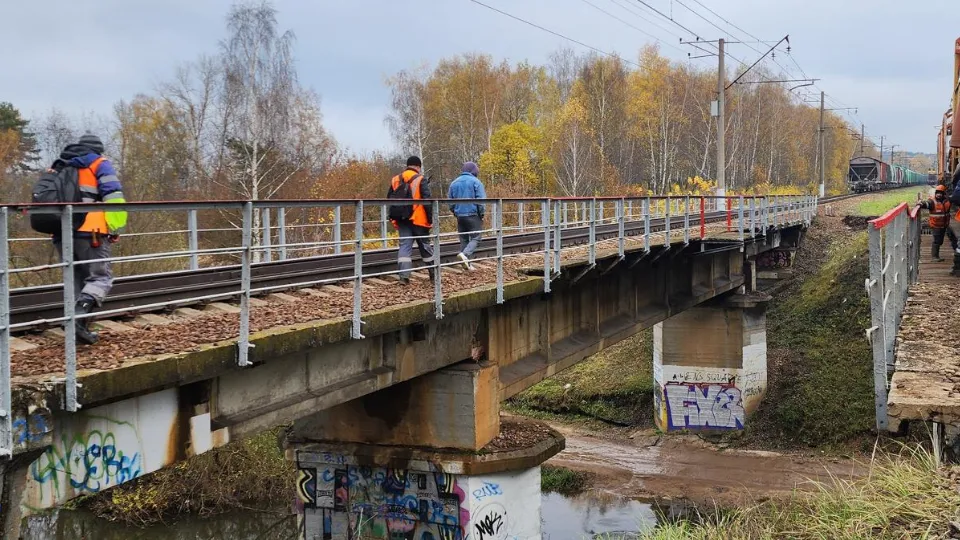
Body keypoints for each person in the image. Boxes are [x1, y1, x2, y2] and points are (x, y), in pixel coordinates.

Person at [51, 134, 127, 344]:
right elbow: (113, 197)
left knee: (76, 280)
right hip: (91, 231)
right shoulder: (99, 164)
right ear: (97, 150)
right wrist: (115, 227)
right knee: (100, 278)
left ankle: (78, 329)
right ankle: (78, 317)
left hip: (61, 232)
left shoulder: (60, 165)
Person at [387, 156, 435, 284]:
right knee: (425, 246)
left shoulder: (395, 179)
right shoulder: (420, 179)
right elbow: (427, 201)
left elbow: (389, 198)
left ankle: (404, 277)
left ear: (408, 165)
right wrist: (430, 219)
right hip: (418, 219)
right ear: (418, 166)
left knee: (404, 246)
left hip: (402, 219)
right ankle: (434, 274)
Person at [447, 161, 486, 271]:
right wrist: (481, 214)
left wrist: (455, 212)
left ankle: (467, 264)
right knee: (476, 238)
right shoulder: (476, 182)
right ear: (473, 171)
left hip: (460, 215)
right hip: (473, 214)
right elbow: (481, 200)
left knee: (464, 239)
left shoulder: (454, 183)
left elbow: (450, 201)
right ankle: (465, 254)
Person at [918, 184, 957, 262]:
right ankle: (934, 257)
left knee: (940, 241)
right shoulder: (932, 201)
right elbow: (927, 204)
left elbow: (954, 200)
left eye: (940, 193)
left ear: (944, 194)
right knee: (936, 241)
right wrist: (921, 204)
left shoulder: (947, 201)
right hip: (935, 225)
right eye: (937, 193)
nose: (938, 195)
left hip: (943, 225)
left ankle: (936, 256)